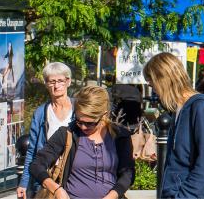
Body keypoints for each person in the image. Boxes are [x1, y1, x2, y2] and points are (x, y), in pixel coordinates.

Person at [30, 86, 135, 199]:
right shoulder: (67, 134)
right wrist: (56, 189)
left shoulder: (120, 136)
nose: (83, 127)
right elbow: (36, 165)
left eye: (89, 123)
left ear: (104, 115)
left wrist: (112, 196)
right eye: (78, 121)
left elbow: (128, 173)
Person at [144, 52, 204, 198]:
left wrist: (184, 195)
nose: (153, 90)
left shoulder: (200, 107)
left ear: (164, 80)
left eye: (152, 84)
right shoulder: (179, 109)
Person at [19, 62, 76, 199]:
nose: (56, 86)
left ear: (68, 82)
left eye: (60, 81)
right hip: (47, 177)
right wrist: (24, 183)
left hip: (73, 176)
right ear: (45, 83)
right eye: (52, 81)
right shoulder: (41, 113)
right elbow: (32, 152)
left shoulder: (79, 109)